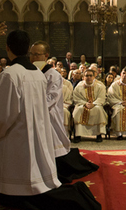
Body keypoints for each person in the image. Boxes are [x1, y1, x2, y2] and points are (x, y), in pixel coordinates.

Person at [0, 30, 103, 210]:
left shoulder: (9, 75)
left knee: (17, 182)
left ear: (7, 48)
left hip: (15, 134)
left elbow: (2, 115)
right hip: (33, 130)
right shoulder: (37, 74)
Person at [30, 41, 99, 182]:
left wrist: (32, 106)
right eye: (31, 54)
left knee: (52, 145)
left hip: (48, 114)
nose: (33, 57)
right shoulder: (30, 72)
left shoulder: (52, 75)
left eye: (37, 54)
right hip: (33, 114)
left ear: (46, 56)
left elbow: (51, 97)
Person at [72, 69, 108, 142]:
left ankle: (98, 134)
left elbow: (101, 97)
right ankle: (78, 135)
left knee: (98, 109)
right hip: (82, 104)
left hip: (96, 104)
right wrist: (85, 104)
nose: (89, 77)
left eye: (90, 76)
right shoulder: (79, 87)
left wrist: (93, 104)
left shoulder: (100, 86)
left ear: (94, 77)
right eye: (87, 76)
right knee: (79, 110)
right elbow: (76, 98)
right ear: (83, 77)